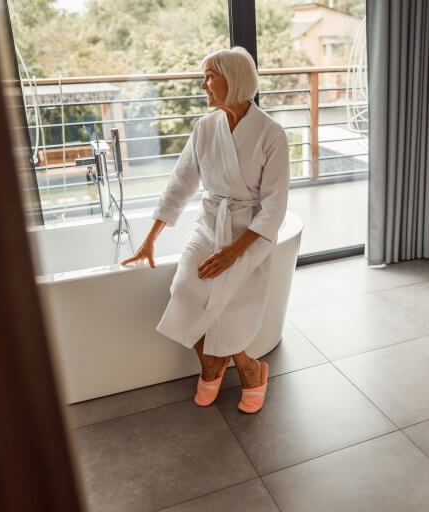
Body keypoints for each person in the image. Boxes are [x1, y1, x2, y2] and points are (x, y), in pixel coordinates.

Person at [121, 47, 289, 414]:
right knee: (185, 288)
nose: (203, 84)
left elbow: (275, 206)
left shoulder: (271, 134)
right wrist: (150, 239)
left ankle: (236, 370)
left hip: (251, 233)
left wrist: (234, 251)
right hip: (211, 223)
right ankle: (236, 364)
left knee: (226, 298)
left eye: (210, 76)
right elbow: (179, 185)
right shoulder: (205, 128)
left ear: (235, 78)